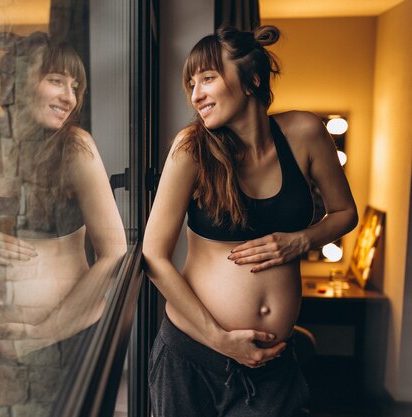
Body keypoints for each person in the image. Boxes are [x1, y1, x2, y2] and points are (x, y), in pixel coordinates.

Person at [142, 25, 357, 417]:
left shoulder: (306, 133)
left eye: (207, 78)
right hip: (194, 358)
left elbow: (345, 213)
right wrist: (220, 339)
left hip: (273, 366)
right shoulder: (191, 148)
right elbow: (153, 255)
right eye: (191, 83)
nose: (196, 94)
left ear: (252, 79)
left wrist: (301, 240)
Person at [0, 32, 126, 414]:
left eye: (75, 87)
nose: (69, 97)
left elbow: (114, 252)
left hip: (63, 342)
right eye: (56, 80)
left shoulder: (75, 148)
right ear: (14, 80)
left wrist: (41, 334)